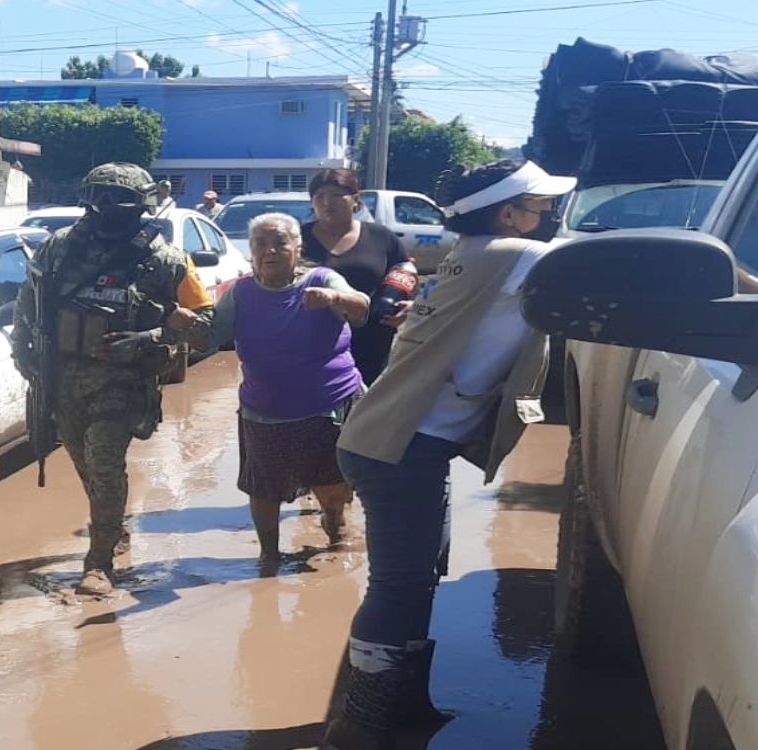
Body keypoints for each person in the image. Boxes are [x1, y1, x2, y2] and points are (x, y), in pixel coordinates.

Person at [322, 159, 576, 749]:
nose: (550, 215)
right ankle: (359, 726)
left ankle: (404, 707)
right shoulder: (519, 257)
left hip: (406, 442)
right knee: (397, 584)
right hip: (399, 446)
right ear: (507, 213)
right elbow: (608, 270)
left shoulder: (481, 253)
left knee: (418, 578)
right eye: (539, 205)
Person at [11, 163, 214, 596]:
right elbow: (27, 302)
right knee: (86, 463)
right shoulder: (58, 249)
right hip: (63, 375)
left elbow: (207, 327)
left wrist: (154, 334)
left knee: (104, 461)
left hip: (122, 380)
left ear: (140, 207)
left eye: (118, 203)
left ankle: (98, 562)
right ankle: (112, 524)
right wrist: (22, 351)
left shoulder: (167, 260)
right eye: (99, 201)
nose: (107, 211)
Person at [206, 213, 368, 561]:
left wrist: (332, 299)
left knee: (330, 485)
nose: (270, 251)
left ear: (297, 247)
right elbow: (209, 337)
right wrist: (183, 325)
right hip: (264, 412)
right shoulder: (241, 293)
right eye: (260, 244)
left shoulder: (323, 278)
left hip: (328, 405)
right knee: (262, 490)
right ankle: (268, 557)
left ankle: (337, 536)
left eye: (280, 242)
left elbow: (362, 306)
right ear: (251, 252)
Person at [301, 168, 410, 383]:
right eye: (319, 196)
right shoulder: (296, 240)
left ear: (355, 199)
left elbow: (406, 270)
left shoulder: (382, 237)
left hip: (372, 341)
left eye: (336, 195)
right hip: (311, 342)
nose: (326, 202)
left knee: (368, 408)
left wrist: (408, 305)